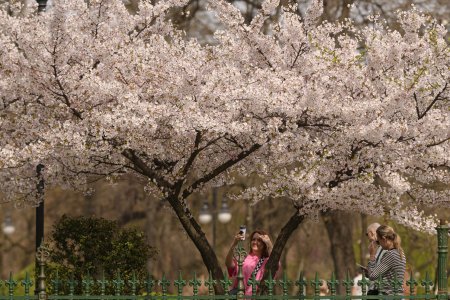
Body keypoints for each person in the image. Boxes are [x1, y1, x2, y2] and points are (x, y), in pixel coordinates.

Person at [225, 229, 278, 295]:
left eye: (259, 240)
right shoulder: (243, 259)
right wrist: (234, 244)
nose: (255, 242)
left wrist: (269, 244)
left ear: (264, 244)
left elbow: (276, 264)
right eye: (253, 239)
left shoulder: (267, 261)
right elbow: (228, 264)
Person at [367, 225, 406, 295]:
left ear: (384, 239)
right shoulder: (400, 252)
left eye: (378, 241)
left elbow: (372, 275)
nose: (379, 245)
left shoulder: (390, 254)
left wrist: (372, 255)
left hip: (389, 295)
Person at [365, 222, 386, 295]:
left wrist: (371, 255)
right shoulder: (376, 248)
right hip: (375, 289)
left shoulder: (385, 249)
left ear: (372, 233)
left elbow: (376, 273)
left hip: (380, 290)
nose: (370, 241)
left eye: (368, 235)